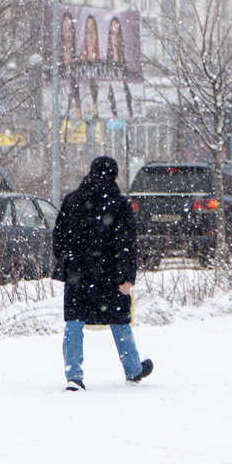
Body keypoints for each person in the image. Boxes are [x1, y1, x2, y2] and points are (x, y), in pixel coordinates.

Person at [52, 156, 152, 391]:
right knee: (119, 321)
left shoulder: (72, 200)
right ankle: (133, 369)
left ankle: (74, 375)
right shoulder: (120, 204)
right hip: (110, 274)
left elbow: (58, 240)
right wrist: (128, 276)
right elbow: (127, 243)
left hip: (78, 275)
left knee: (74, 322)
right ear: (115, 177)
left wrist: (70, 263)